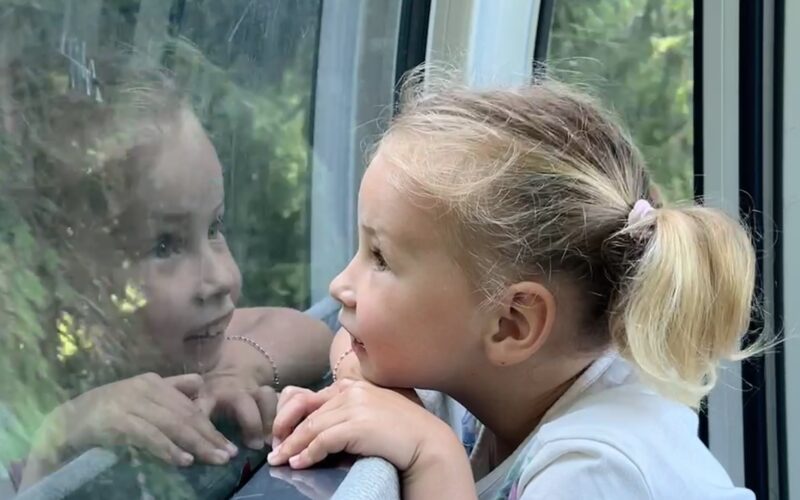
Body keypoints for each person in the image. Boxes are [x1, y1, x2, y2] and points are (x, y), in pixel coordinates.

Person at [266, 74, 759, 499]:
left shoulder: (595, 471)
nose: (338, 286)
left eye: (380, 258)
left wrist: (433, 458)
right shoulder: (512, 375)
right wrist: (353, 372)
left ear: (511, 323)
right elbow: (348, 350)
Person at [9, 62, 331, 491]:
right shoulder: (29, 405)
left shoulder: (191, 350)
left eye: (215, 227)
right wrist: (63, 433)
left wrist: (239, 368)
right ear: (77, 279)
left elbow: (311, 334)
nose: (223, 276)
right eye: (164, 246)